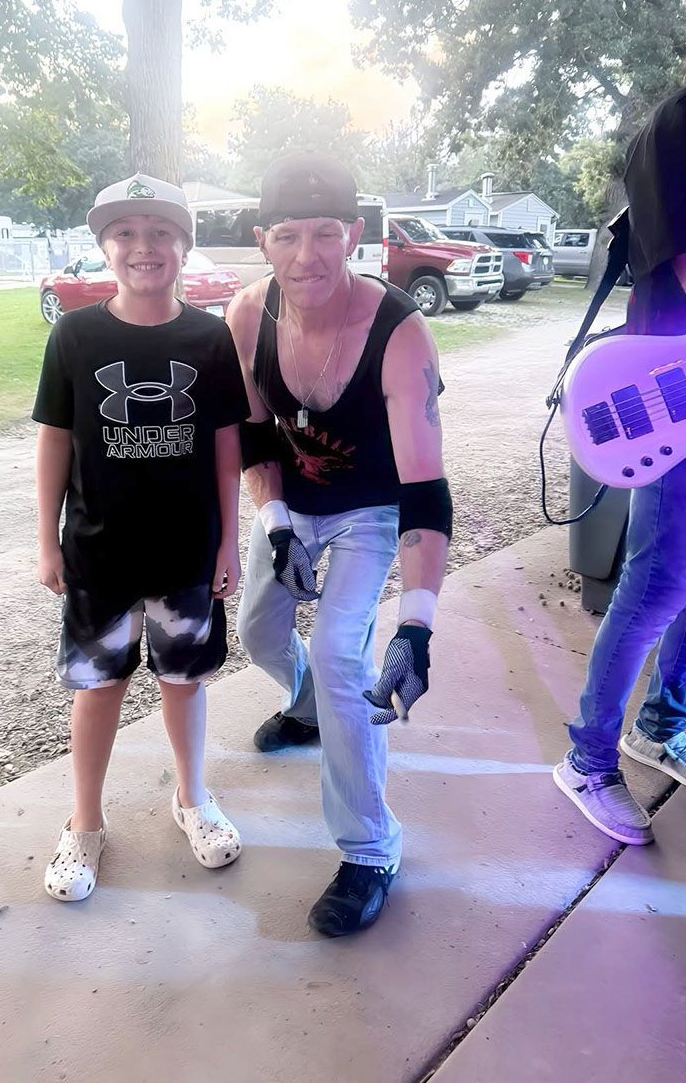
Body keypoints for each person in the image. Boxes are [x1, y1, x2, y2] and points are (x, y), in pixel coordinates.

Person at [226, 151, 452, 936]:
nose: (306, 256)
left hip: (370, 511)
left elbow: (424, 488)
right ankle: (307, 708)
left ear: (353, 234)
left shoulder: (399, 332)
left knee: (337, 654)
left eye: (325, 233)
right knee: (258, 632)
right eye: (287, 235)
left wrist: (416, 627)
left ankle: (370, 850)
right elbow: (255, 437)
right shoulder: (246, 316)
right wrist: (277, 524)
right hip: (292, 507)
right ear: (263, 240)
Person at [33, 173, 250, 901]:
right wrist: (46, 539)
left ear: (184, 247)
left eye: (160, 233)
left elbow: (226, 446)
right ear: (104, 247)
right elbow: (54, 440)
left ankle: (192, 799)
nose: (143, 247)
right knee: (99, 688)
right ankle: (85, 824)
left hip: (186, 552)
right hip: (100, 553)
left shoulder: (209, 337)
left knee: (184, 682)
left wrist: (229, 542)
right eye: (124, 233)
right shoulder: (75, 335)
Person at [554, 8, 686, 843]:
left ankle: (659, 727)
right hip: (681, 393)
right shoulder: (685, 125)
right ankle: (587, 758)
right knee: (657, 585)